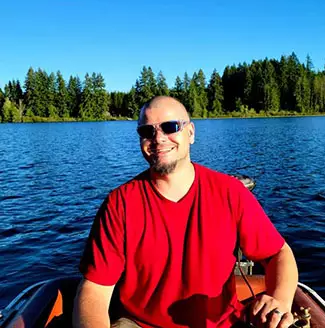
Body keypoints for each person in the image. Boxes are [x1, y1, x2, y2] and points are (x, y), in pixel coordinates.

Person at [73, 96, 298, 328]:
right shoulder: (119, 204)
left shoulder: (230, 193)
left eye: (170, 127)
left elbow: (278, 254)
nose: (158, 138)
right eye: (147, 131)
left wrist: (280, 301)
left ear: (190, 133)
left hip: (220, 324)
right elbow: (95, 289)